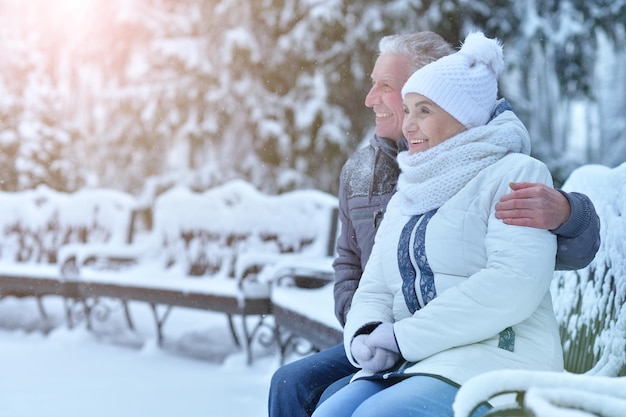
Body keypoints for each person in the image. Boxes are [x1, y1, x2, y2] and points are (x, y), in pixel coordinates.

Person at [268, 31, 601, 417]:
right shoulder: (398, 181)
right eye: (407, 109)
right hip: (406, 350)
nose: (408, 123)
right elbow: (361, 273)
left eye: (421, 108)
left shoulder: (511, 174)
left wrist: (569, 213)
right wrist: (364, 332)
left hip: (485, 352)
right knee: (321, 405)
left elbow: (519, 277)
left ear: (460, 113)